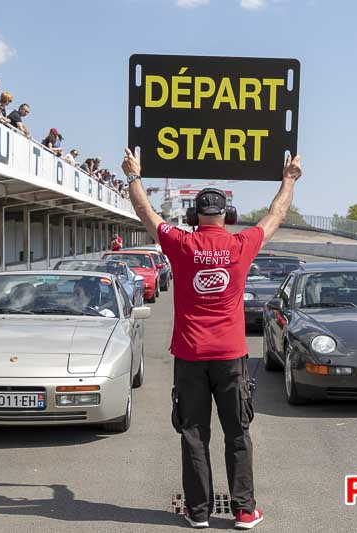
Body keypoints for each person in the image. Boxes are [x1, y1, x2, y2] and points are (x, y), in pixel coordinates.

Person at [121, 147, 302, 530]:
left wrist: (134, 176)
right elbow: (276, 215)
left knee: (193, 434)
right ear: (228, 215)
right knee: (237, 432)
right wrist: (288, 180)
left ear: (193, 215)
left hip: (189, 356)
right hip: (231, 355)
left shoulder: (181, 243)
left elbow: (145, 214)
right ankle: (244, 510)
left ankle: (198, 513)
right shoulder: (241, 245)